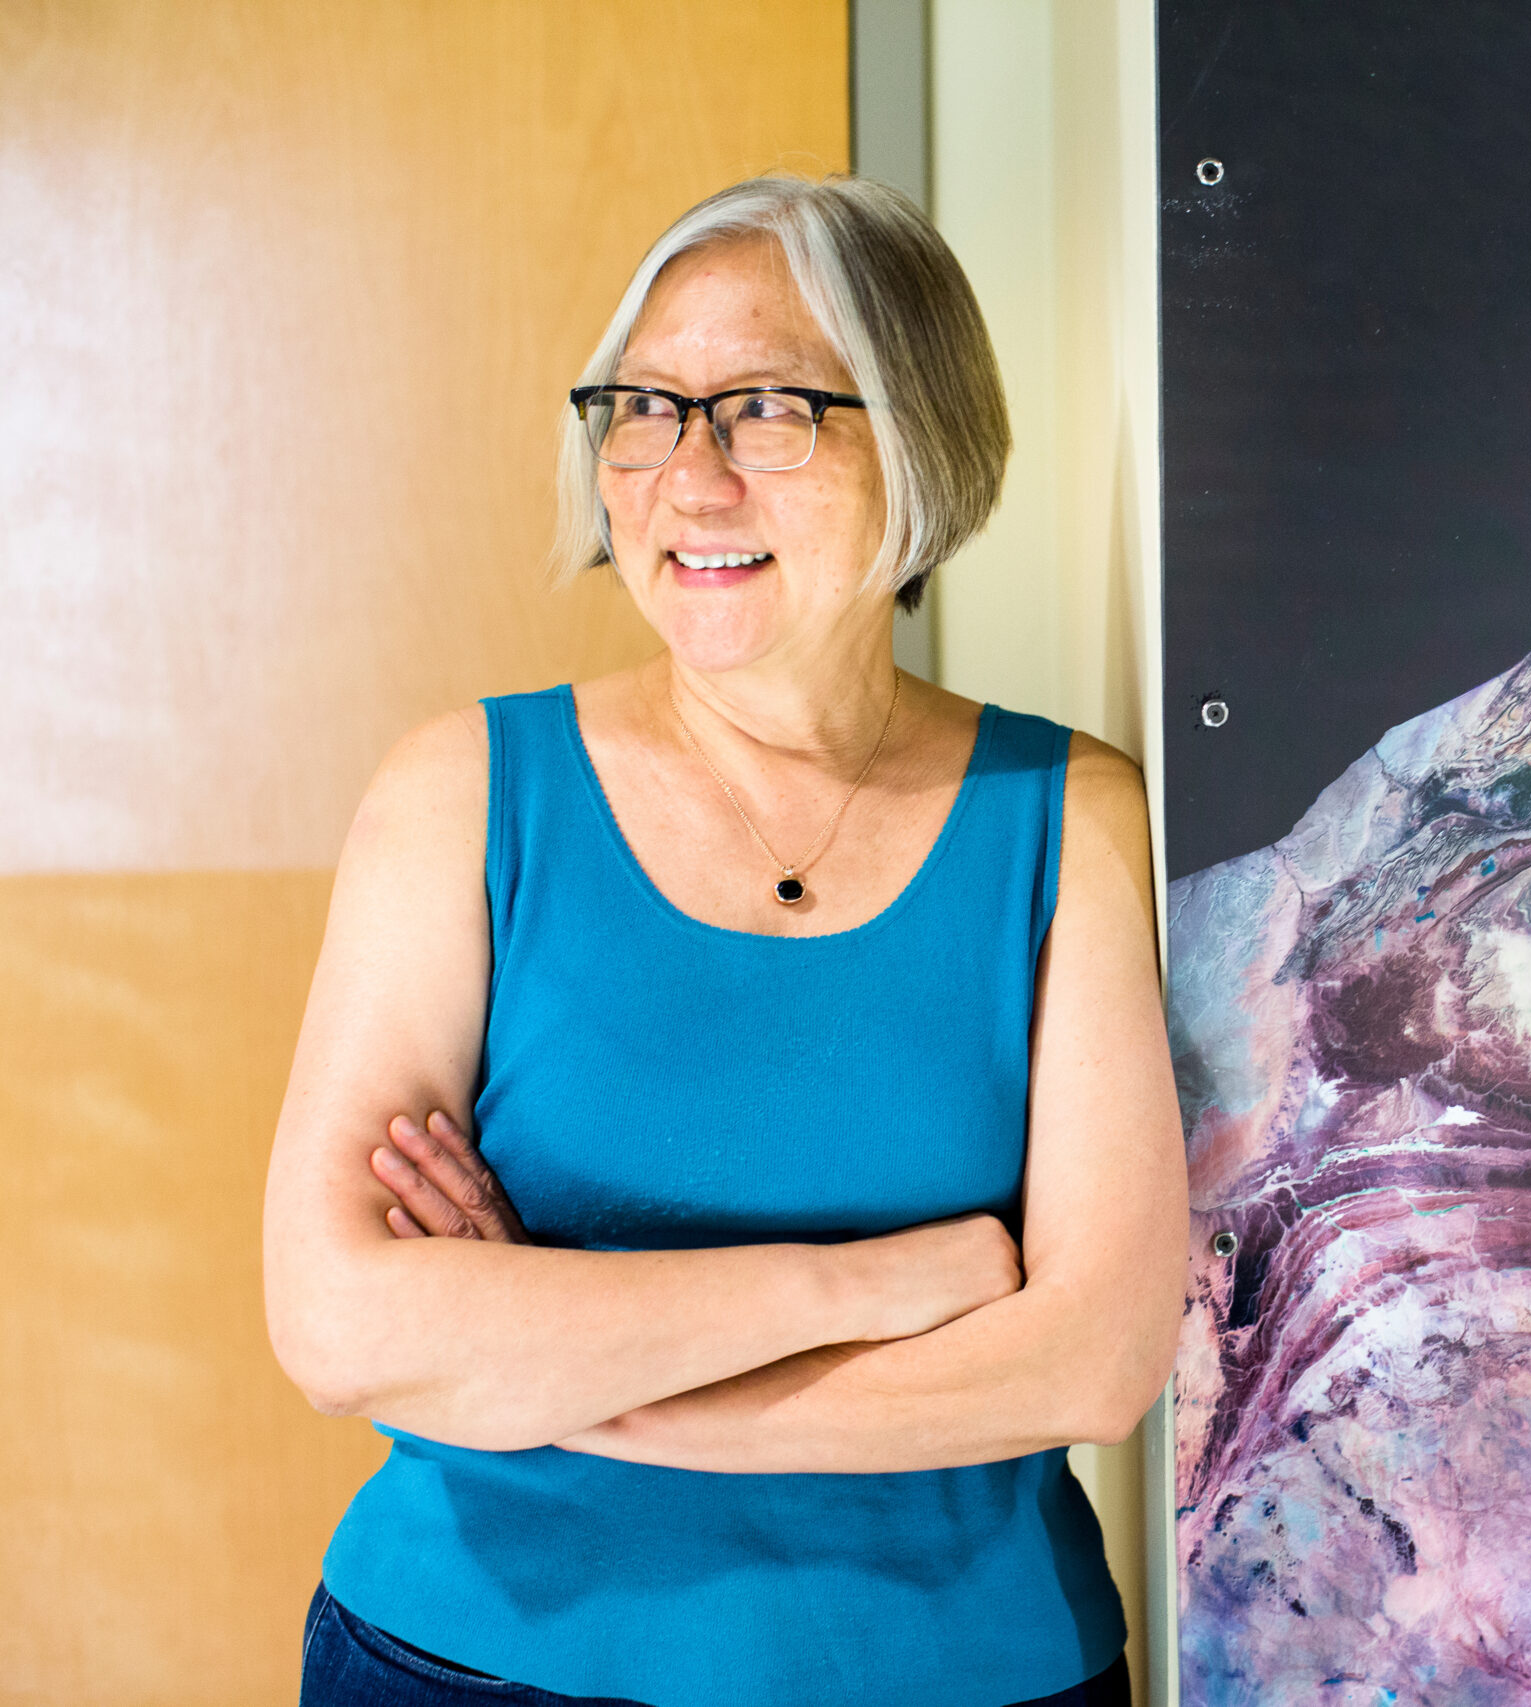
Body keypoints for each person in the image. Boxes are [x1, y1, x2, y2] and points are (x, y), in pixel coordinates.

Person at [261, 172, 1187, 1707]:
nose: (688, 479)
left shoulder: (1069, 813)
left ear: (921, 440)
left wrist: (565, 1373)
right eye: (645, 407)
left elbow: (1086, 1363)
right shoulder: (464, 793)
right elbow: (336, 1319)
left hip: (973, 1675)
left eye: (765, 409)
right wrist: (869, 1287)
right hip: (467, 1666)